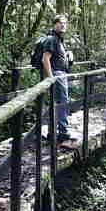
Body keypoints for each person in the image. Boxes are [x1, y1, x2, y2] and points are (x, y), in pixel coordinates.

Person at [41, 14, 75, 142]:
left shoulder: (58, 40)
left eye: (65, 23)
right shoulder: (52, 39)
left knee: (57, 103)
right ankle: (63, 132)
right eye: (60, 23)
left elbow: (56, 56)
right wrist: (51, 79)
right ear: (54, 24)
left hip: (60, 74)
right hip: (57, 75)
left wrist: (68, 54)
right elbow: (45, 59)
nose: (63, 25)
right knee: (63, 102)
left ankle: (53, 132)